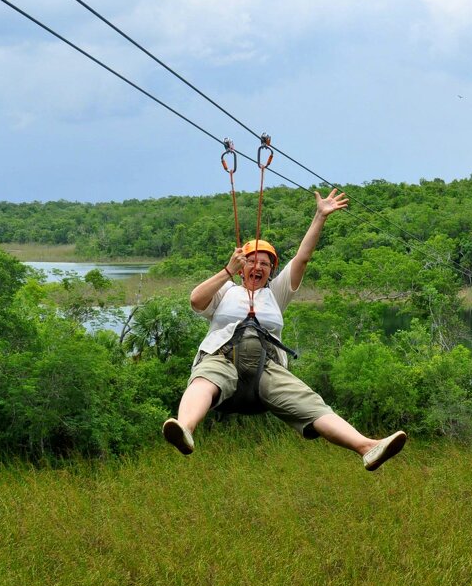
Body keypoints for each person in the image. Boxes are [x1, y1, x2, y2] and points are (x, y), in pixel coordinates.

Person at [162, 188, 407, 471]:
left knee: (311, 403)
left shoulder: (276, 293)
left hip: (268, 370)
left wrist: (320, 216)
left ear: (271, 270)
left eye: (265, 264)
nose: (258, 266)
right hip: (222, 358)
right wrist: (227, 271)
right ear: (242, 268)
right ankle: (185, 429)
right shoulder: (226, 290)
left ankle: (367, 446)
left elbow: (302, 258)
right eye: (252, 262)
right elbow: (195, 300)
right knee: (205, 380)